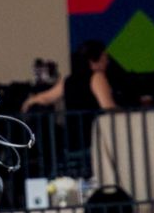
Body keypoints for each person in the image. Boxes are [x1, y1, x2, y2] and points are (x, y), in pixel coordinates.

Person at [21, 40, 115, 175]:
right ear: (96, 60)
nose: (107, 61)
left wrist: (29, 102)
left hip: (73, 139)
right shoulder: (97, 77)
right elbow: (108, 108)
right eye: (105, 57)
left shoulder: (69, 80)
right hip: (93, 138)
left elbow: (46, 98)